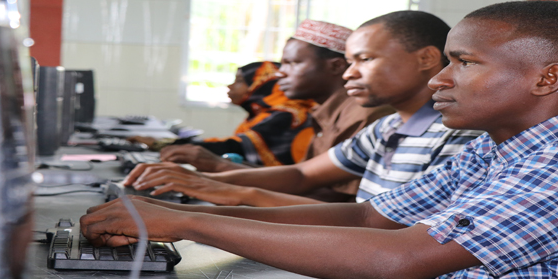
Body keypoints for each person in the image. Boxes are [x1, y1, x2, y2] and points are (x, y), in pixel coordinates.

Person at [81, 1, 558, 279]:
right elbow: (372, 215)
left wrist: (189, 223)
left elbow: (401, 257)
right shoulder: (499, 147)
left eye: (464, 63)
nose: (442, 78)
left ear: (546, 78)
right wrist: (192, 217)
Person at [122, 10, 482, 207]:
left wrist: (231, 194)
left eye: (365, 60)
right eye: (350, 60)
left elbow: (376, 225)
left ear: (425, 59)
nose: (350, 72)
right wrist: (206, 181)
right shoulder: (386, 129)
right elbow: (303, 176)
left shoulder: (459, 137)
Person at [158, 20, 393, 185]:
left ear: (335, 66)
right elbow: (299, 178)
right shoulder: (324, 113)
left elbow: (325, 195)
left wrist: (217, 175)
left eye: (292, 63)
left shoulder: (364, 116)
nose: (279, 74)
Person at [132, 61, 317, 167]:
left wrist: (161, 144)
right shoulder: (265, 113)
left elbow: (234, 147)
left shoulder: (288, 115)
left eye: (239, 81)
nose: (230, 86)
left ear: (261, 84)